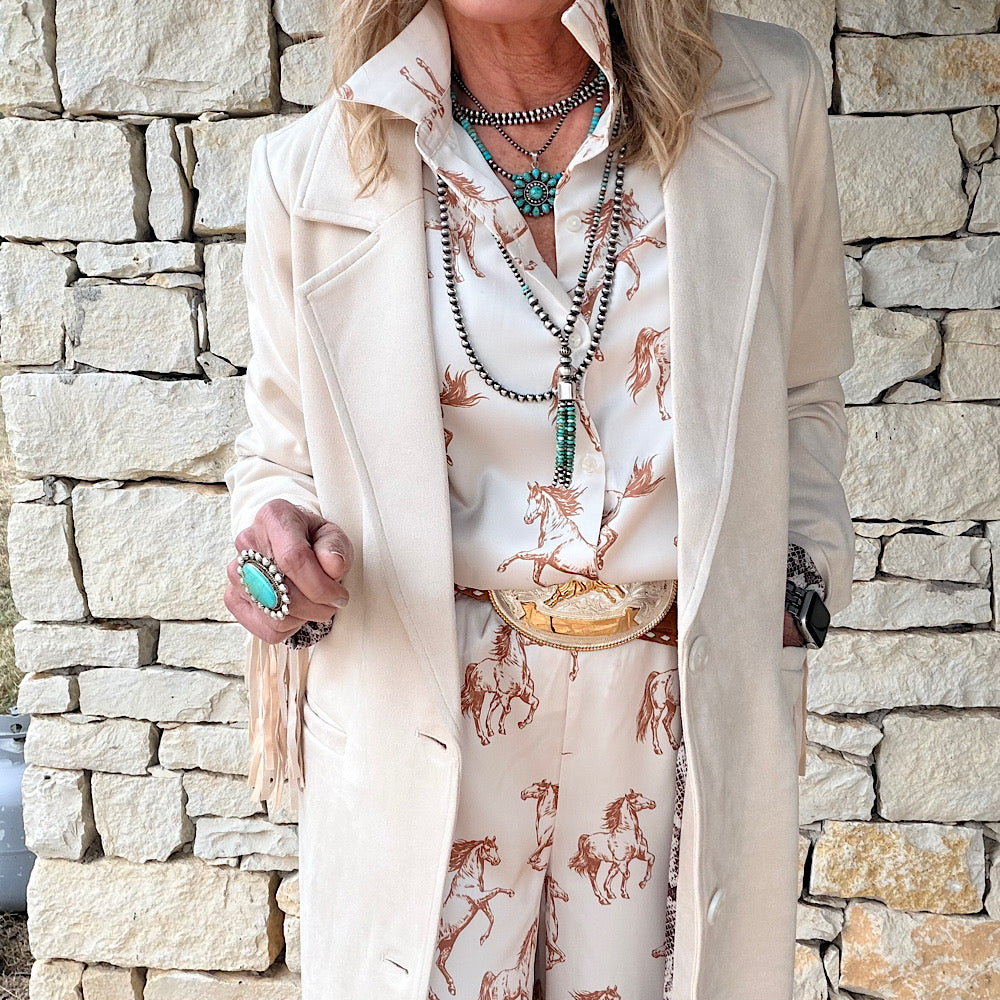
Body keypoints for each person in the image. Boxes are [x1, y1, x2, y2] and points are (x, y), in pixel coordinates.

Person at [223, 1, 855, 997]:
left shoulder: (763, 94)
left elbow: (804, 383)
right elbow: (281, 456)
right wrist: (278, 550)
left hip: (675, 715)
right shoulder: (311, 172)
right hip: (433, 713)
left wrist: (788, 590)